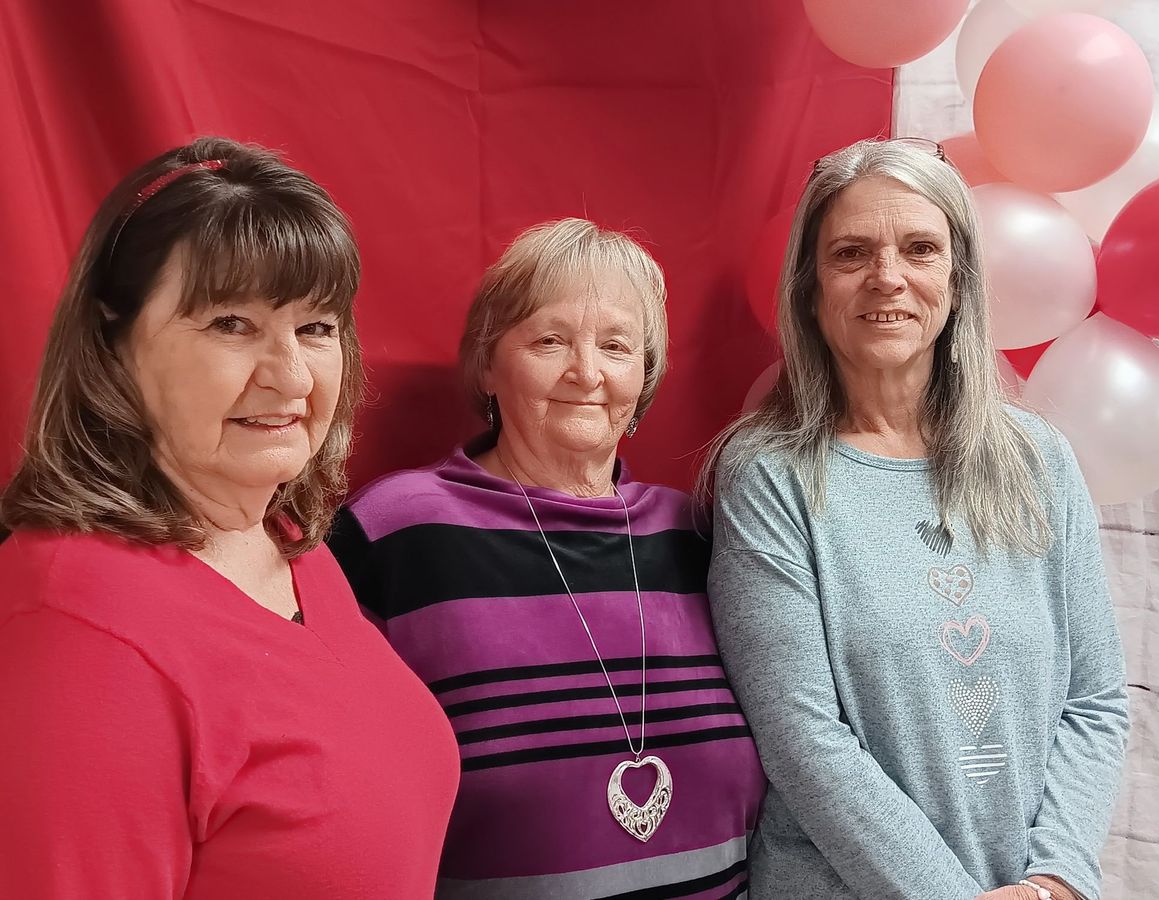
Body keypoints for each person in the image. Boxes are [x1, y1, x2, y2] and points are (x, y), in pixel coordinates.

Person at [0, 137, 459, 899]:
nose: (291, 376)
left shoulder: (285, 542)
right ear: (113, 344)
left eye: (316, 327)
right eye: (231, 323)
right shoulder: (79, 633)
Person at [704, 138, 1128, 900]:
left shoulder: (1040, 461)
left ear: (958, 281)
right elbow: (804, 740)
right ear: (809, 287)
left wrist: (1055, 881)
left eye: (920, 249)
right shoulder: (767, 475)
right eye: (851, 253)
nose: (887, 276)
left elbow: (1094, 701)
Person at [329, 218, 765, 898]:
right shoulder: (395, 532)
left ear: (644, 375)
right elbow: (334, 788)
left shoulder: (700, 534)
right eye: (549, 340)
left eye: (616, 346)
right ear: (487, 365)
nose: (586, 373)